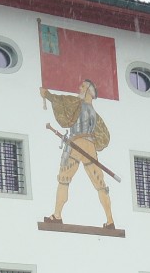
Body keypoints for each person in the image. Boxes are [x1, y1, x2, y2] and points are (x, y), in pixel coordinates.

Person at [40, 79, 114, 228]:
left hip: (76, 144)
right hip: (90, 147)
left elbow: (60, 100)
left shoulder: (77, 104)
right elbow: (103, 136)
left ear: (88, 89)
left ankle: (57, 215)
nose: (79, 89)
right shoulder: (95, 115)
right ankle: (110, 220)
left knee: (64, 179)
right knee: (100, 184)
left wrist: (47, 94)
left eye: (82, 87)